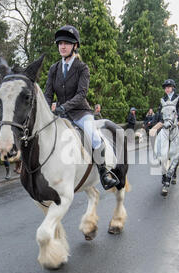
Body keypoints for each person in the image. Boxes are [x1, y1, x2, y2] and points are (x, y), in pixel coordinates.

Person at [44, 25, 118, 190]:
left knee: (94, 136)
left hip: (80, 112)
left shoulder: (82, 68)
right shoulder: (53, 69)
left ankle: (104, 172)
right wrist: (46, 110)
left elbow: (81, 94)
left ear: (75, 46)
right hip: (60, 115)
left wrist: (63, 107)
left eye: (67, 43)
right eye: (60, 43)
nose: (62, 46)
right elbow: (48, 93)